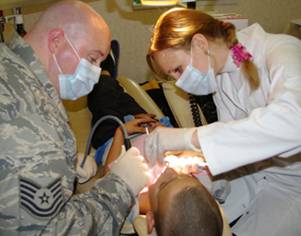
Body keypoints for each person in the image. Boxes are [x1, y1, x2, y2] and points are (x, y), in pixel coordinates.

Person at [144, 7, 301, 236]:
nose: (179, 83)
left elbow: (294, 122)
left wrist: (189, 138)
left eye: (178, 69)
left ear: (200, 43)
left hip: (293, 186)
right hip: (256, 176)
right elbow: (238, 142)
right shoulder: (221, 75)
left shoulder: (282, 50)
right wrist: (195, 162)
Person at [0, 1, 150, 235]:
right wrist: (121, 186)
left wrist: (62, 166)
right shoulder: (31, 122)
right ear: (56, 42)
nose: (97, 72)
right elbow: (50, 231)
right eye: (92, 59)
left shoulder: (10, 67)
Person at [101, 121, 224, 236]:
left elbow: (109, 185)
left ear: (150, 220)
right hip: (154, 129)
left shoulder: (134, 205)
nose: (171, 170)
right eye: (184, 176)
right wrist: (187, 154)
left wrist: (120, 132)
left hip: (115, 137)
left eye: (164, 184)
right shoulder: (205, 185)